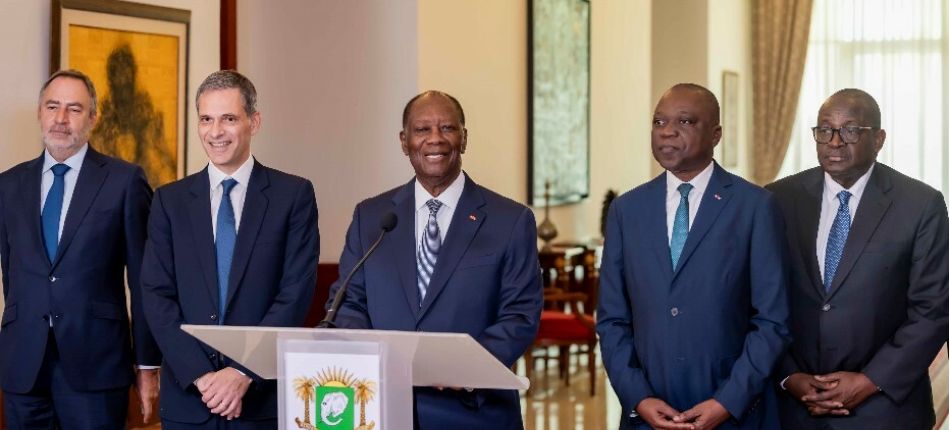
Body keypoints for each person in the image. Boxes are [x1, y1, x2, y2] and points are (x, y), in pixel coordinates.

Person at [327, 90, 542, 429]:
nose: (435, 139)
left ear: (464, 138)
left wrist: (462, 367)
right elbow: (348, 303)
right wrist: (375, 358)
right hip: (384, 407)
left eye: (447, 128)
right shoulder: (371, 217)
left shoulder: (510, 220)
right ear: (404, 141)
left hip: (473, 412)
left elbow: (520, 314)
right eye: (422, 129)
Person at [597, 83, 791, 429]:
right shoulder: (627, 210)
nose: (667, 132)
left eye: (684, 122)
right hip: (647, 414)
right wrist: (638, 397)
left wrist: (727, 402)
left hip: (735, 413)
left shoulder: (754, 206)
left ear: (716, 134)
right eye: (659, 122)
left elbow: (772, 321)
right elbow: (612, 320)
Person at [141, 70, 319, 428]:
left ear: (254, 121)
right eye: (206, 119)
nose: (216, 132)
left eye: (229, 119)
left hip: (261, 403)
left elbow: (294, 294)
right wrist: (202, 376)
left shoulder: (292, 196)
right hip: (189, 400)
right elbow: (157, 295)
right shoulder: (169, 201)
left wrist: (242, 371)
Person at [766, 88, 948, 429]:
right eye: (824, 130)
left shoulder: (921, 205)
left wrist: (869, 381)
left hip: (885, 409)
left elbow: (932, 311)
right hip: (793, 408)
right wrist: (789, 376)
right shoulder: (777, 199)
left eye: (850, 130)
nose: (835, 142)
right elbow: (759, 300)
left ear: (878, 139)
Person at [0, 69, 160, 427]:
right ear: (39, 112)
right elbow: (12, 274)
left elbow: (144, 280)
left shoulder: (124, 181)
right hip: (23, 366)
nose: (61, 118)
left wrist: (147, 364)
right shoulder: (8, 185)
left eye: (74, 109)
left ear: (93, 118)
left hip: (97, 366)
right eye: (52, 106)